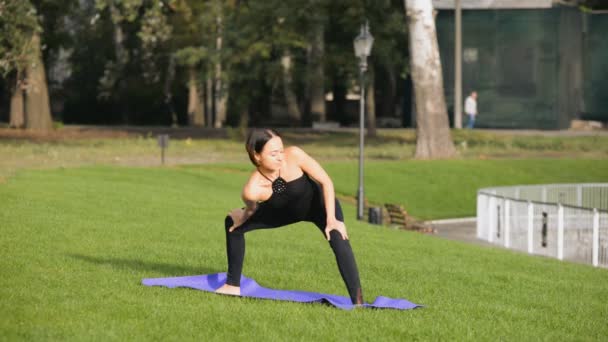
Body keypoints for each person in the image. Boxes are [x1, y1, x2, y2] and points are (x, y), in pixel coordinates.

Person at [214, 128, 363, 305]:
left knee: (339, 237)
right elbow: (252, 209)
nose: (280, 157)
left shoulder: (295, 155)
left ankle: (359, 302)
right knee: (232, 224)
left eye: (281, 150)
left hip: (319, 207)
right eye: (273, 153)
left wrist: (332, 219)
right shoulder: (252, 189)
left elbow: (326, 181)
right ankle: (232, 286)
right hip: (283, 213)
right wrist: (242, 216)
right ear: (257, 155)